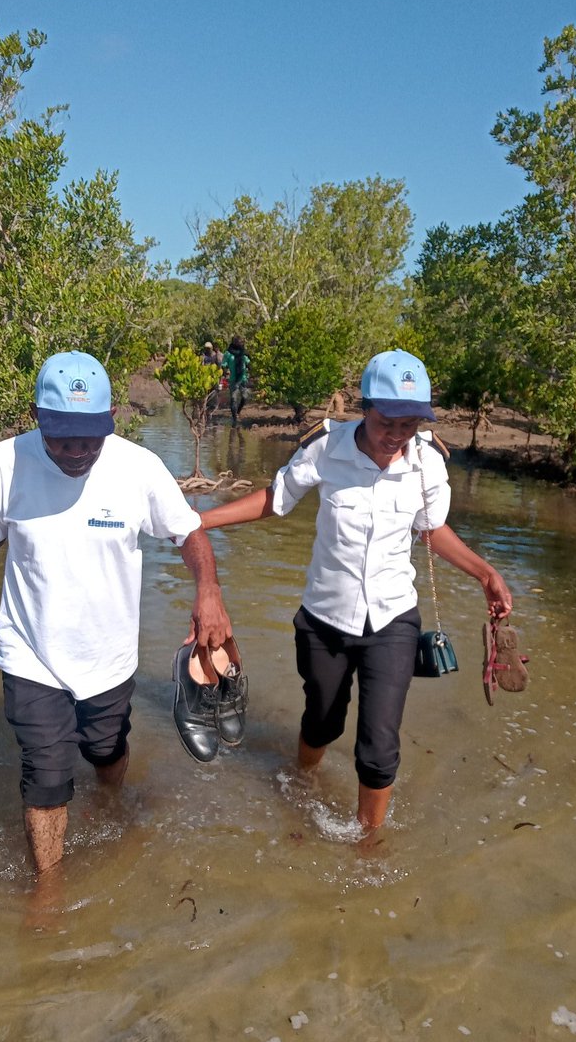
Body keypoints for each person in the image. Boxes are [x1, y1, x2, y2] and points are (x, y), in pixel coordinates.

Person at [0, 351, 232, 875]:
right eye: (64, 437)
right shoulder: (4, 463)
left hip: (108, 656)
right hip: (30, 650)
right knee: (46, 771)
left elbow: (187, 530)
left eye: (91, 437)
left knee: (106, 751)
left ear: (110, 422)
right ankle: (47, 896)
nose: (79, 451)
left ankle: (111, 800)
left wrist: (208, 591)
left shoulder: (137, 467)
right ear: (37, 417)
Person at [199, 349, 513, 836]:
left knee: (379, 742)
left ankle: (369, 843)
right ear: (365, 407)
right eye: (388, 421)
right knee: (322, 720)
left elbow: (432, 529)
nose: (397, 435)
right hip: (324, 618)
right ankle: (302, 780)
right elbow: (274, 501)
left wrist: (485, 573)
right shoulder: (326, 449)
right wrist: (198, 520)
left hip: (393, 620)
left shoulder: (428, 462)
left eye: (410, 424)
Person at [221, 335, 250, 425]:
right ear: (234, 342)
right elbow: (224, 365)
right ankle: (234, 419)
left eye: (241, 342)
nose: (241, 344)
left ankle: (238, 412)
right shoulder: (228, 353)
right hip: (233, 380)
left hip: (243, 379)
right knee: (233, 399)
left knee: (245, 397)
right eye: (239, 342)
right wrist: (225, 372)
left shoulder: (243, 352)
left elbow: (248, 363)